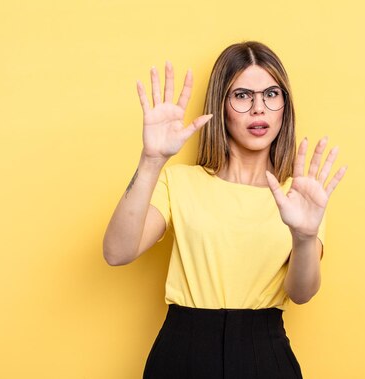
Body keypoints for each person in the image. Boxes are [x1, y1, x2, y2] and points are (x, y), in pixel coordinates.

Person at [103, 41, 346, 379]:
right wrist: (151, 161)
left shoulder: (301, 197)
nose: (259, 108)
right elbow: (116, 252)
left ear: (284, 108)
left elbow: (301, 293)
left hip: (265, 354)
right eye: (243, 95)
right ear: (222, 105)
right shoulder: (179, 182)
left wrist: (304, 236)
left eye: (271, 95)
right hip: (182, 354)